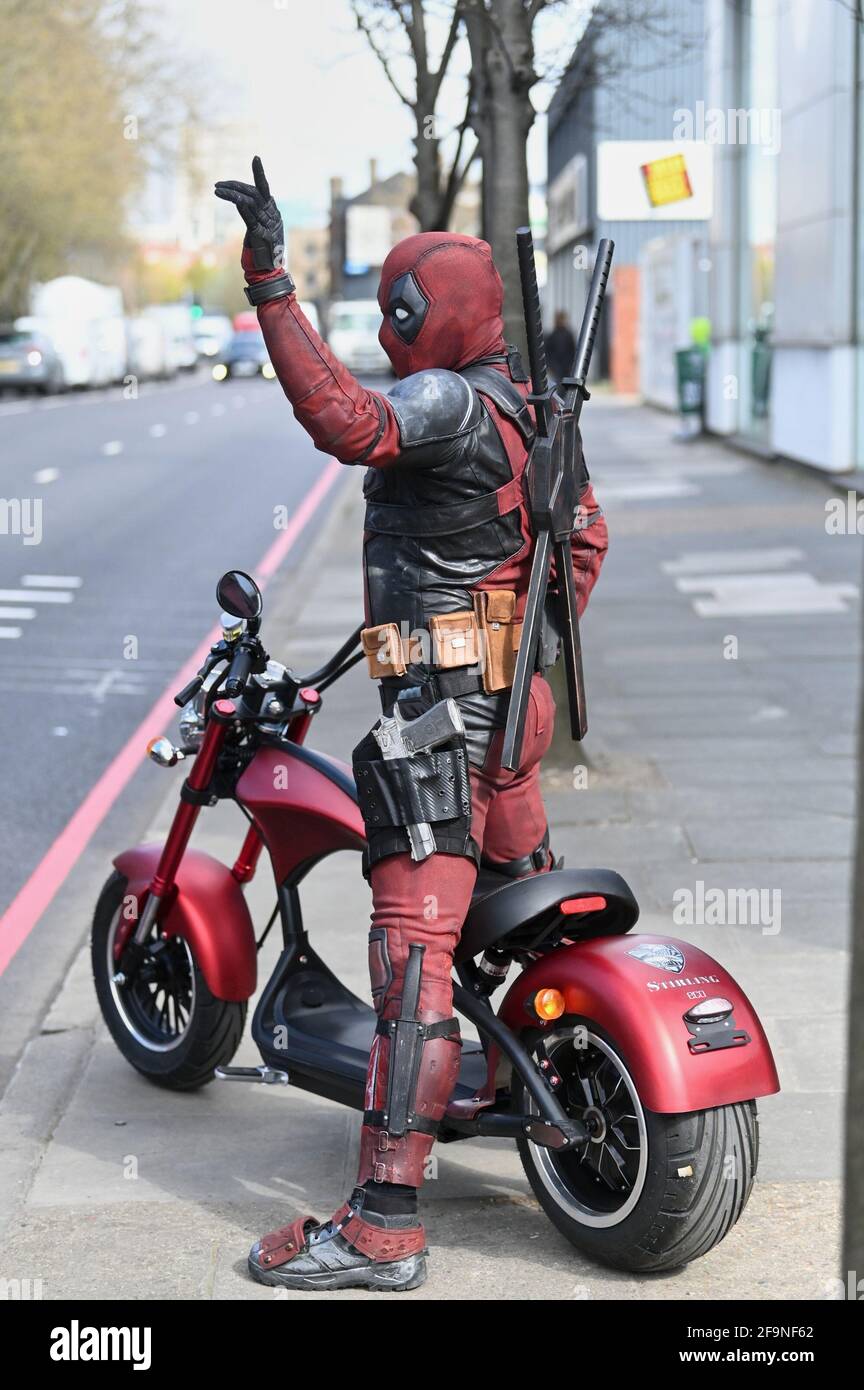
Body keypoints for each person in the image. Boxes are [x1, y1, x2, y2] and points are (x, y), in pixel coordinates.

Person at [215, 158, 608, 1293]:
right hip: (511, 717)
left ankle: (384, 1220)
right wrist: (522, 643)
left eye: (401, 308)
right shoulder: (536, 407)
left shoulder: (442, 403)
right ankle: (567, 1084)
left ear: (426, 316)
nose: (393, 327)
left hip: (437, 724)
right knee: (534, 917)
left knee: (410, 955)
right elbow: (584, 542)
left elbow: (346, 419)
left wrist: (271, 282)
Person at [544, 309, 576, 385]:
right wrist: (551, 365)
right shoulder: (552, 335)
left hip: (566, 367)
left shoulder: (568, 335)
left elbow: (573, 351)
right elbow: (548, 353)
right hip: (556, 368)